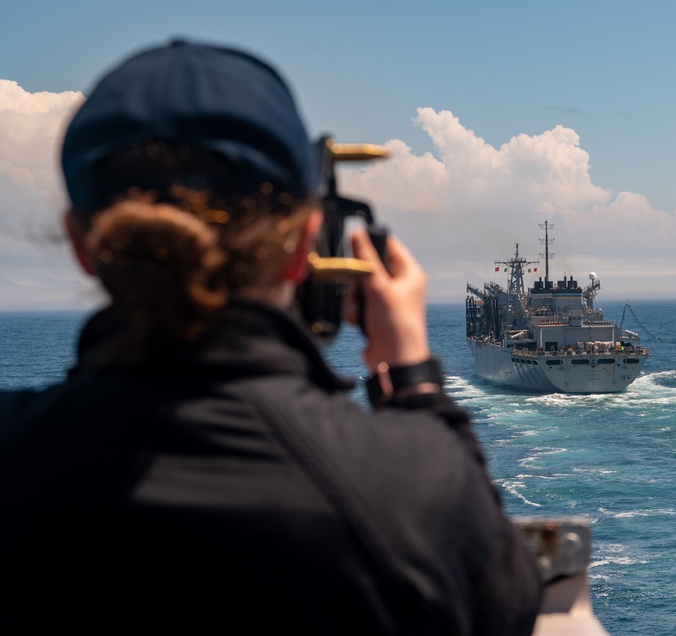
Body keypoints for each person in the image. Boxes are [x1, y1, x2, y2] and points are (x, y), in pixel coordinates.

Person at [0, 40, 540, 634]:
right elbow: (505, 606)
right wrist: (413, 379)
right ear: (304, 242)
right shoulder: (408, 483)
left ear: (81, 244)